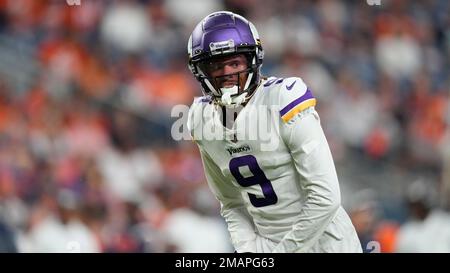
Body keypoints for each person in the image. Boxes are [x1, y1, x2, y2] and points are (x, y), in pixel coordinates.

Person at [186, 11, 362, 253]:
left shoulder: (283, 98)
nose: (227, 73)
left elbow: (326, 198)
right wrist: (249, 249)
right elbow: (231, 202)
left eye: (235, 63)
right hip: (267, 245)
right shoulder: (200, 118)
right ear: (201, 70)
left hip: (324, 243)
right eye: (216, 65)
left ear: (252, 60)